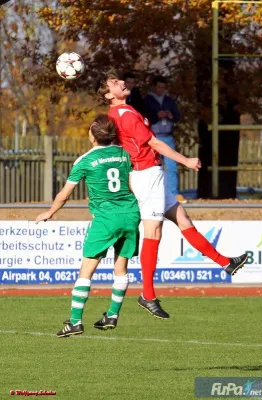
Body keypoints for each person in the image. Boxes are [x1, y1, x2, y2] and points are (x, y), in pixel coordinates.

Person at [95, 72, 248, 319]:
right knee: (153, 232)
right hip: (146, 176)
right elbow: (154, 143)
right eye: (114, 83)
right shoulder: (123, 114)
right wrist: (185, 160)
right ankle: (148, 295)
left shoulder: (124, 112)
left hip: (150, 174)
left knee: (183, 219)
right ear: (108, 94)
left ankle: (225, 263)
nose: (121, 82)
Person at [35, 114, 140, 337]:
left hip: (105, 218)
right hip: (131, 214)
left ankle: (74, 322)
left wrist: (50, 212)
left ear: (92, 136)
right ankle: (112, 315)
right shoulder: (123, 154)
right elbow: (132, 184)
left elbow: (65, 194)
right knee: (121, 268)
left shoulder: (84, 160)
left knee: (87, 270)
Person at [144, 75, 186, 203]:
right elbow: (143, 117)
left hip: (168, 137)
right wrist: (156, 116)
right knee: (153, 168)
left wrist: (171, 116)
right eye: (159, 87)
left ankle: (174, 193)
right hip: (153, 138)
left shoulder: (169, 100)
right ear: (154, 86)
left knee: (172, 166)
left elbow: (178, 117)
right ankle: (152, 194)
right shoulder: (147, 100)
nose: (161, 89)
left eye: (163, 87)